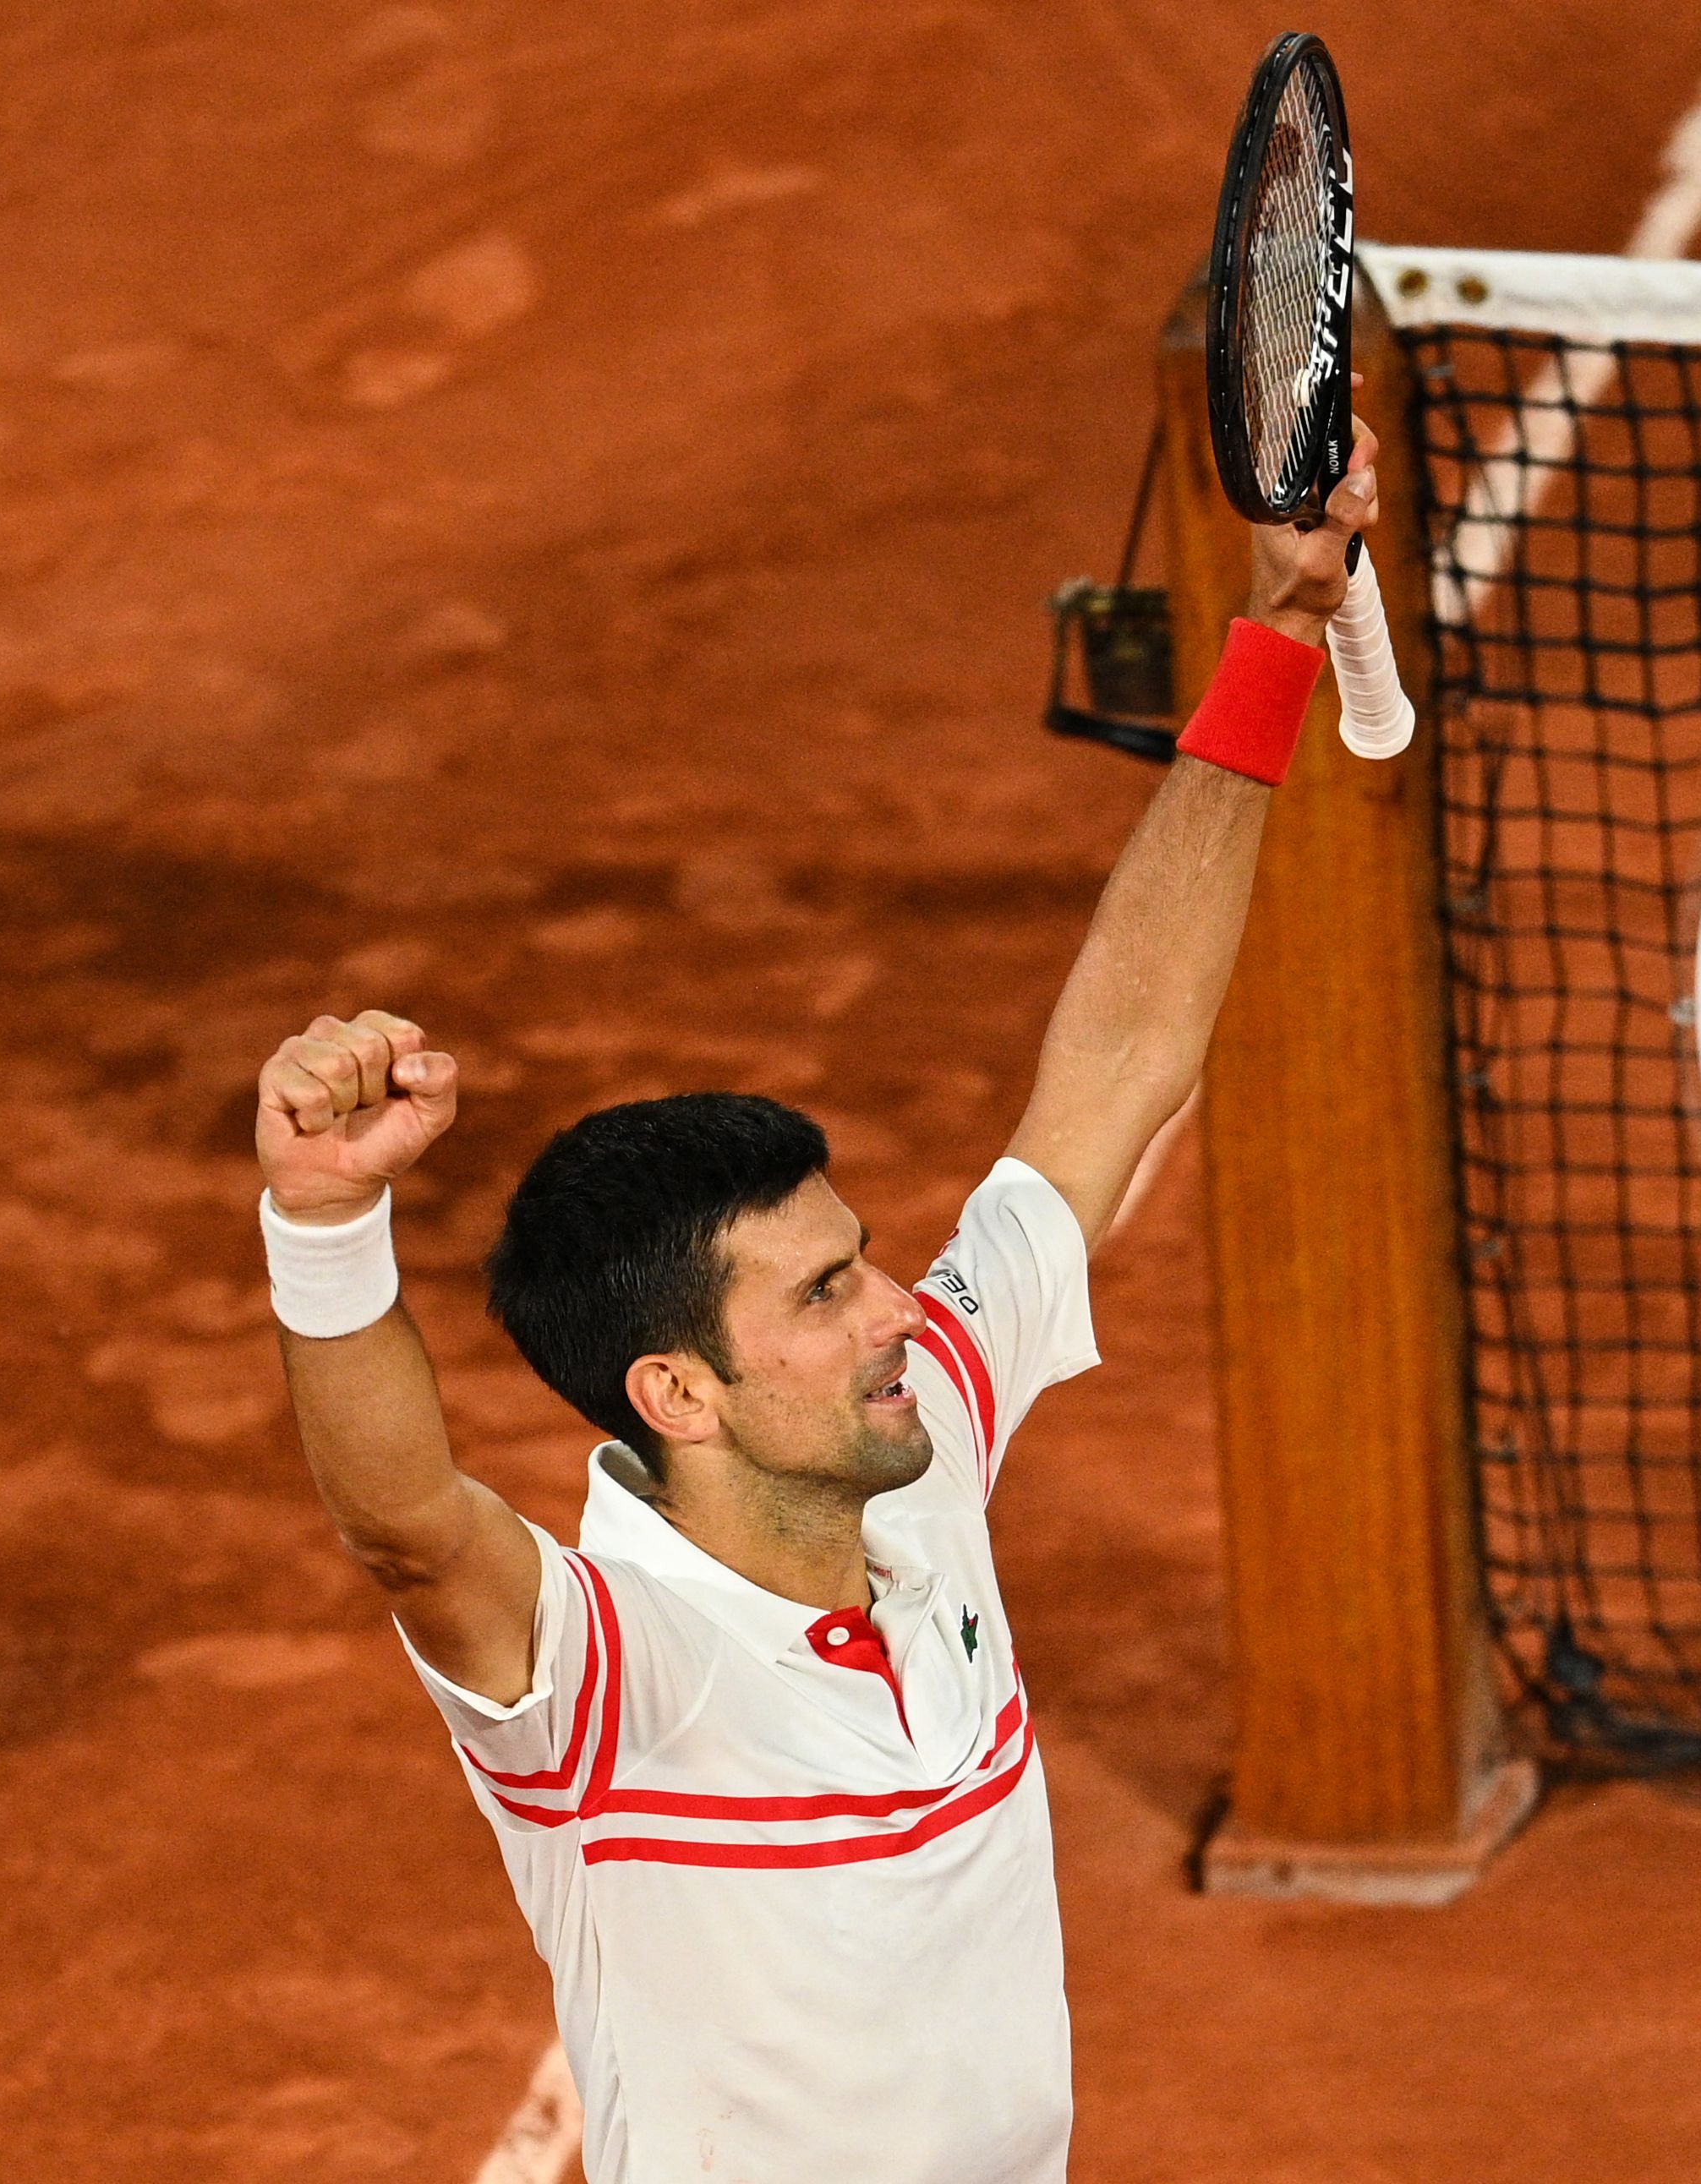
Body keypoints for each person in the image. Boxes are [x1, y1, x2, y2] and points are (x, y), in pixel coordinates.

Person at [251, 434, 1381, 2184]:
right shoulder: (604, 1674)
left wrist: (1280, 634)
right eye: (830, 1288)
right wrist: (328, 1221)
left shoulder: (911, 1438)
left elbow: (1123, 1067)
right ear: (678, 1393)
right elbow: (406, 1525)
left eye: (862, 1259)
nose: (895, 1312)